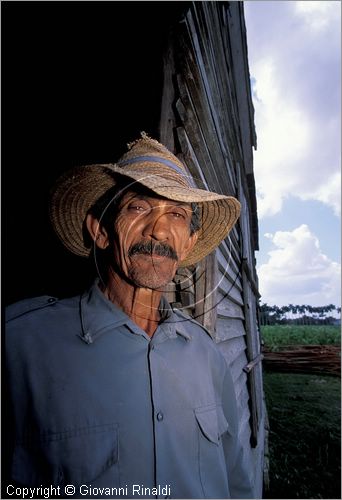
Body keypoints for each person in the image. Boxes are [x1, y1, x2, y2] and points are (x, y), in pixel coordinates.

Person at [5, 133, 254, 499]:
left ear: (187, 243)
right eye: (138, 208)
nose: (159, 230)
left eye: (177, 214)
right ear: (101, 231)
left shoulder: (206, 353)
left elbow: (236, 482)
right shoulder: (19, 344)